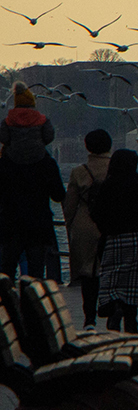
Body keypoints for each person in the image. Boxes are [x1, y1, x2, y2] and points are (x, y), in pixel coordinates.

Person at [90, 149, 138, 333]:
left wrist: (107, 229)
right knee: (133, 283)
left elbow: (97, 212)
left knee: (112, 280)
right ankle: (131, 320)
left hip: (114, 238)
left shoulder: (108, 185)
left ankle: (115, 308)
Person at [0, 82, 63, 279]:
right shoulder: (47, 164)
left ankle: (7, 306)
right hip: (38, 225)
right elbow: (59, 195)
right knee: (36, 274)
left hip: (9, 225)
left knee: (6, 272)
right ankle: (31, 306)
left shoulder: (4, 164)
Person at [62, 130, 112, 327]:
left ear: (87, 146)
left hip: (85, 225)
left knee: (88, 274)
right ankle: (109, 310)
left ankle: (89, 318)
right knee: (110, 269)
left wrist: (70, 225)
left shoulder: (79, 172)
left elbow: (70, 206)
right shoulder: (115, 168)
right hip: (110, 225)